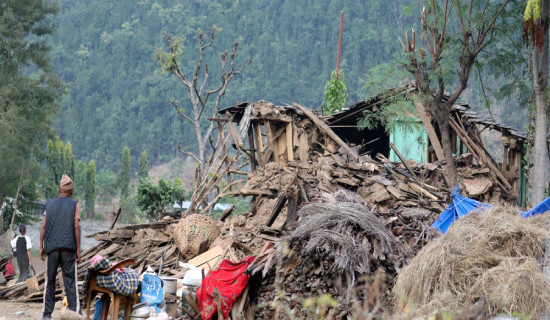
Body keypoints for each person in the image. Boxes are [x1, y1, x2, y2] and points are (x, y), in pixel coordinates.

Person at [40, 174, 81, 320]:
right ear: (72, 192)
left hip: (51, 248)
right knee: (70, 281)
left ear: (59, 190)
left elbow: (44, 226)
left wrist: (41, 246)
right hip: (69, 248)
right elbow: (76, 225)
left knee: (50, 281)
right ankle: (74, 313)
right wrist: (78, 249)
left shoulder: (49, 204)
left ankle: (46, 314)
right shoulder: (74, 203)